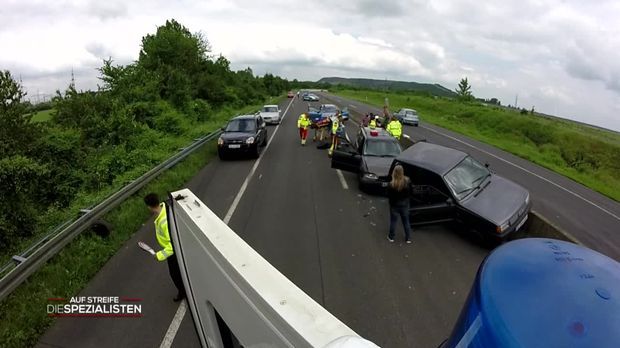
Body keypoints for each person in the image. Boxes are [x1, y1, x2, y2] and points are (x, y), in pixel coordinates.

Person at [144, 193, 186, 301]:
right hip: (173, 250)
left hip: (172, 252)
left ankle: (183, 293)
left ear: (148, 206)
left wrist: (160, 255)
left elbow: (173, 244)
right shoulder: (165, 208)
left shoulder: (163, 221)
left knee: (175, 274)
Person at [387, 165, 412, 244]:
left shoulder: (391, 184)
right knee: (406, 221)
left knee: (393, 221)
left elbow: (389, 196)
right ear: (402, 172)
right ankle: (408, 238)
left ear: (394, 172)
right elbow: (411, 192)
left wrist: (391, 204)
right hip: (404, 205)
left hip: (394, 205)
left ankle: (391, 237)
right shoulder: (407, 181)